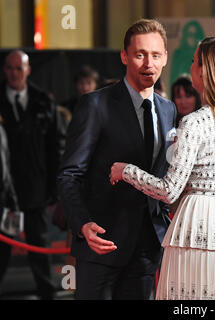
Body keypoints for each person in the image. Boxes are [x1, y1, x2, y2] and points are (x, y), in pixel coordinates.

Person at [110, 36, 215, 300]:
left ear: (204, 70)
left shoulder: (194, 123)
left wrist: (125, 171)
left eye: (193, 62)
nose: (191, 67)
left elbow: (168, 191)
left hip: (195, 224)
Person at [57, 19, 176, 300]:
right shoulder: (95, 104)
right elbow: (69, 174)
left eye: (156, 55)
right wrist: (83, 224)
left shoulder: (168, 109)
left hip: (147, 249)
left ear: (165, 58)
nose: (149, 63)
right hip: (101, 245)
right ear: (124, 56)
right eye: (140, 54)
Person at [0, 50, 63, 300]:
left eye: (19, 68)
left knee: (39, 248)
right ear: (5, 70)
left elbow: (57, 145)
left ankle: (47, 295)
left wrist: (54, 189)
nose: (14, 73)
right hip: (4, 194)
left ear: (28, 70)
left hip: (37, 191)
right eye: (10, 68)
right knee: (3, 249)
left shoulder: (43, 101)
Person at [0, 117, 20, 284]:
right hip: (4, 196)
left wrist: (12, 200)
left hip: (4, 198)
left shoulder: (1, 130)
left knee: (5, 246)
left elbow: (6, 167)